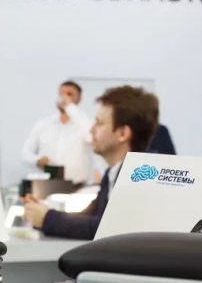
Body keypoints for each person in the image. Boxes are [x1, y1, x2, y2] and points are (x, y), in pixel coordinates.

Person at [22, 85, 159, 240]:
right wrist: (42, 213)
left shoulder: (139, 177)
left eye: (99, 123)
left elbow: (107, 228)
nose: (91, 130)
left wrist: (48, 218)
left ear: (122, 133)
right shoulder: (113, 173)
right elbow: (90, 215)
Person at [21, 80, 93, 184]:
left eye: (69, 94)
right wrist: (37, 160)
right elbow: (25, 153)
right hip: (48, 185)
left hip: (78, 186)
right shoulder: (43, 124)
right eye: (61, 94)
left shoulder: (84, 123)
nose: (64, 98)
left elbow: (91, 138)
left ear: (79, 99)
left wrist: (70, 107)